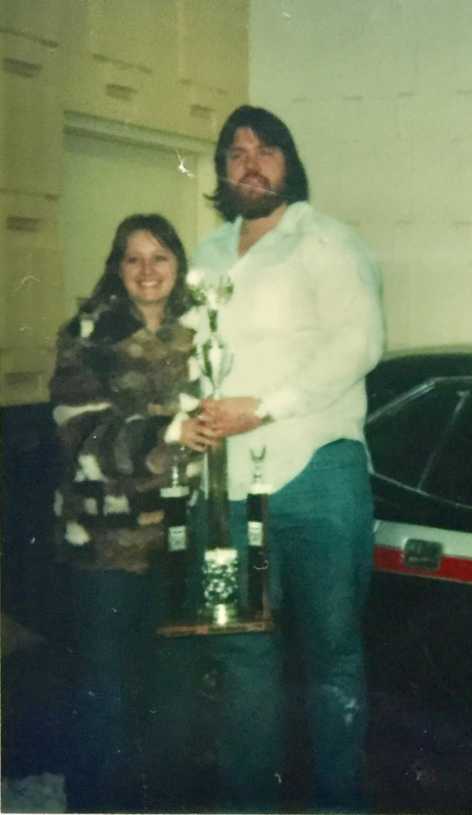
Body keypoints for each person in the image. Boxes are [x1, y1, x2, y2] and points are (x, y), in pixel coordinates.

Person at [194, 104, 384, 809]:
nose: (250, 161)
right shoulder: (206, 253)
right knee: (242, 656)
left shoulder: (328, 242)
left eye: (266, 149)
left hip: (318, 477)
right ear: (221, 169)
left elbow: (358, 346)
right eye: (235, 151)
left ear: (289, 162)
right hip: (225, 487)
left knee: (332, 655)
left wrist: (261, 407)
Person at [49, 214, 214, 812]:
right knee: (106, 696)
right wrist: (171, 432)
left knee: (173, 696)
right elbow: (82, 432)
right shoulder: (86, 334)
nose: (148, 272)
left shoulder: (205, 330)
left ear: (178, 266)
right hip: (105, 544)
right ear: (117, 268)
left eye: (160, 258)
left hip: (181, 542)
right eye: (133, 259)